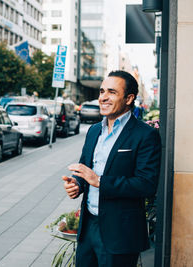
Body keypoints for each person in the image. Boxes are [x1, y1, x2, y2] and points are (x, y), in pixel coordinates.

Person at [62, 70, 161, 267]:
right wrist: (78, 184)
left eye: (112, 92)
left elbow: (146, 184)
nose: (103, 97)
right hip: (88, 227)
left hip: (120, 233)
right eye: (101, 91)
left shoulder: (145, 135)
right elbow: (85, 171)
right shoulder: (93, 131)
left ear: (129, 98)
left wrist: (99, 181)